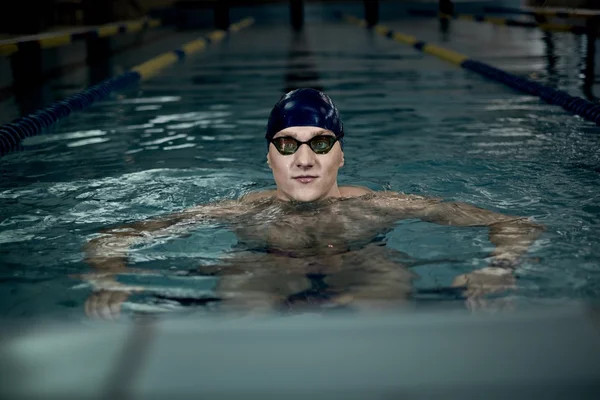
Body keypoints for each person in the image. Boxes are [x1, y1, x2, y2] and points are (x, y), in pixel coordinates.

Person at [82, 88, 545, 320]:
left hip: (362, 263)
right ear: (268, 159)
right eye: (286, 145)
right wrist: (108, 280)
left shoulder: (382, 206)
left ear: (342, 155)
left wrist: (499, 267)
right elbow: (114, 237)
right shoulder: (240, 210)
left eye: (320, 143)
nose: (303, 159)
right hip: (263, 269)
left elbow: (516, 224)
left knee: (385, 304)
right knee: (247, 308)